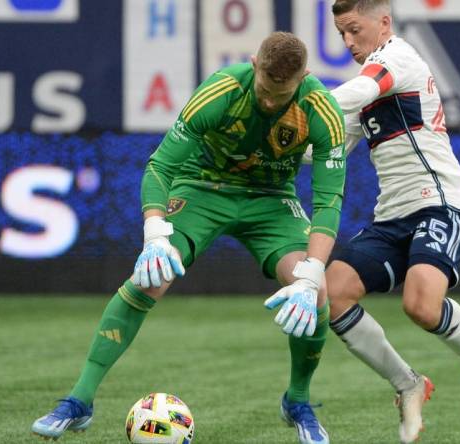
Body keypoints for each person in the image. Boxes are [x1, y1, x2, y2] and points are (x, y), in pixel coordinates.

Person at [31, 32, 346, 444]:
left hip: (271, 201)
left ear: (304, 76)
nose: (270, 102)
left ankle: (298, 401)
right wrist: (155, 233)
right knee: (150, 278)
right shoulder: (221, 90)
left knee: (317, 291)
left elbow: (328, 201)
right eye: (266, 90)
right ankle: (79, 402)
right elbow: (161, 166)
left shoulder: (321, 110)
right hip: (201, 188)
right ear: (253, 64)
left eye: (281, 94)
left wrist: (311, 274)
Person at [320, 1, 460, 442]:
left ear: (384, 22)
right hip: (392, 216)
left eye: (353, 30)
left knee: (420, 305)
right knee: (331, 294)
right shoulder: (364, 84)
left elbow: (361, 91)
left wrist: (299, 97)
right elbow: (327, 146)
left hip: (441, 202)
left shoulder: (397, 58)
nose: (347, 43)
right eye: (341, 34)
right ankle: (408, 385)